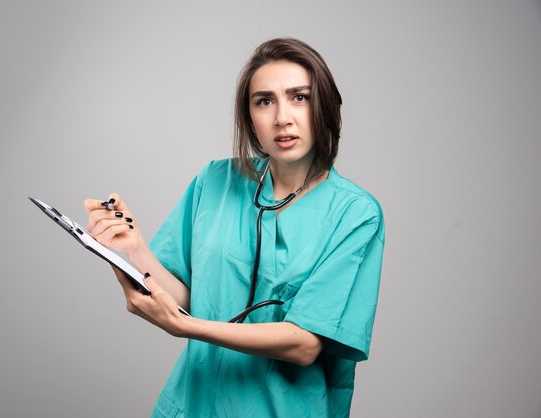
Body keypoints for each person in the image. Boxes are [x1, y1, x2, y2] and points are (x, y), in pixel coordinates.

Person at [84, 38, 385, 418]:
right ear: (249, 118)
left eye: (300, 97)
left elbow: (304, 343)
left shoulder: (356, 214)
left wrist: (187, 328)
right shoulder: (215, 181)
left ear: (325, 106)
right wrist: (133, 249)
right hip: (193, 403)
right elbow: (187, 296)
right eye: (264, 101)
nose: (282, 118)